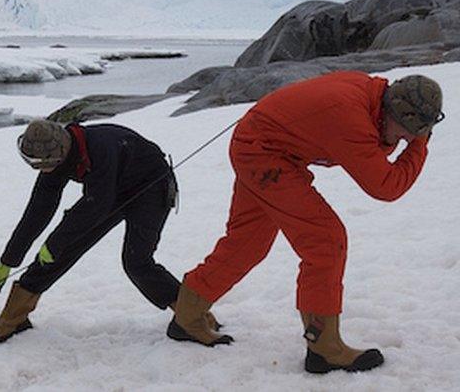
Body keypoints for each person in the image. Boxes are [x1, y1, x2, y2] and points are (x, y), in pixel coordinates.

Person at [168, 72, 443, 374]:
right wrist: (419, 147)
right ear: (392, 110)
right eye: (405, 132)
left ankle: (189, 313)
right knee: (326, 241)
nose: (405, 140)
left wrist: (408, 137)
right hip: (263, 152)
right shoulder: (349, 116)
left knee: (248, 242)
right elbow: (386, 186)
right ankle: (325, 348)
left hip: (261, 144)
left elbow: (375, 148)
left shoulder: (373, 99)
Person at [0, 119, 188, 344]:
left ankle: (192, 315)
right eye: (33, 163)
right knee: (60, 249)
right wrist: (7, 262)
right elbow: (37, 211)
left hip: (151, 187)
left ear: (59, 153)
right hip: (109, 190)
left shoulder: (99, 149)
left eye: (42, 163)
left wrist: (54, 242)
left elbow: (96, 205)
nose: (40, 169)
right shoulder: (53, 157)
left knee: (136, 261)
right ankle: (13, 319)